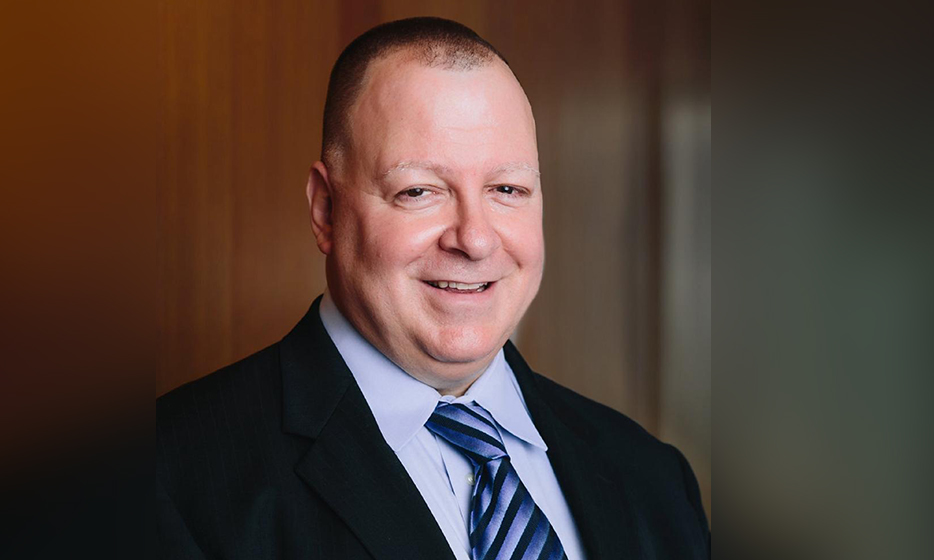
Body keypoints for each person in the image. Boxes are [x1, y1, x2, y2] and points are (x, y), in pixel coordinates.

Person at [157, 17, 710, 560]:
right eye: (419, 190)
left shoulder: (654, 479)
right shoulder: (169, 482)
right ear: (326, 210)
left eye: (507, 189)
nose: (474, 238)